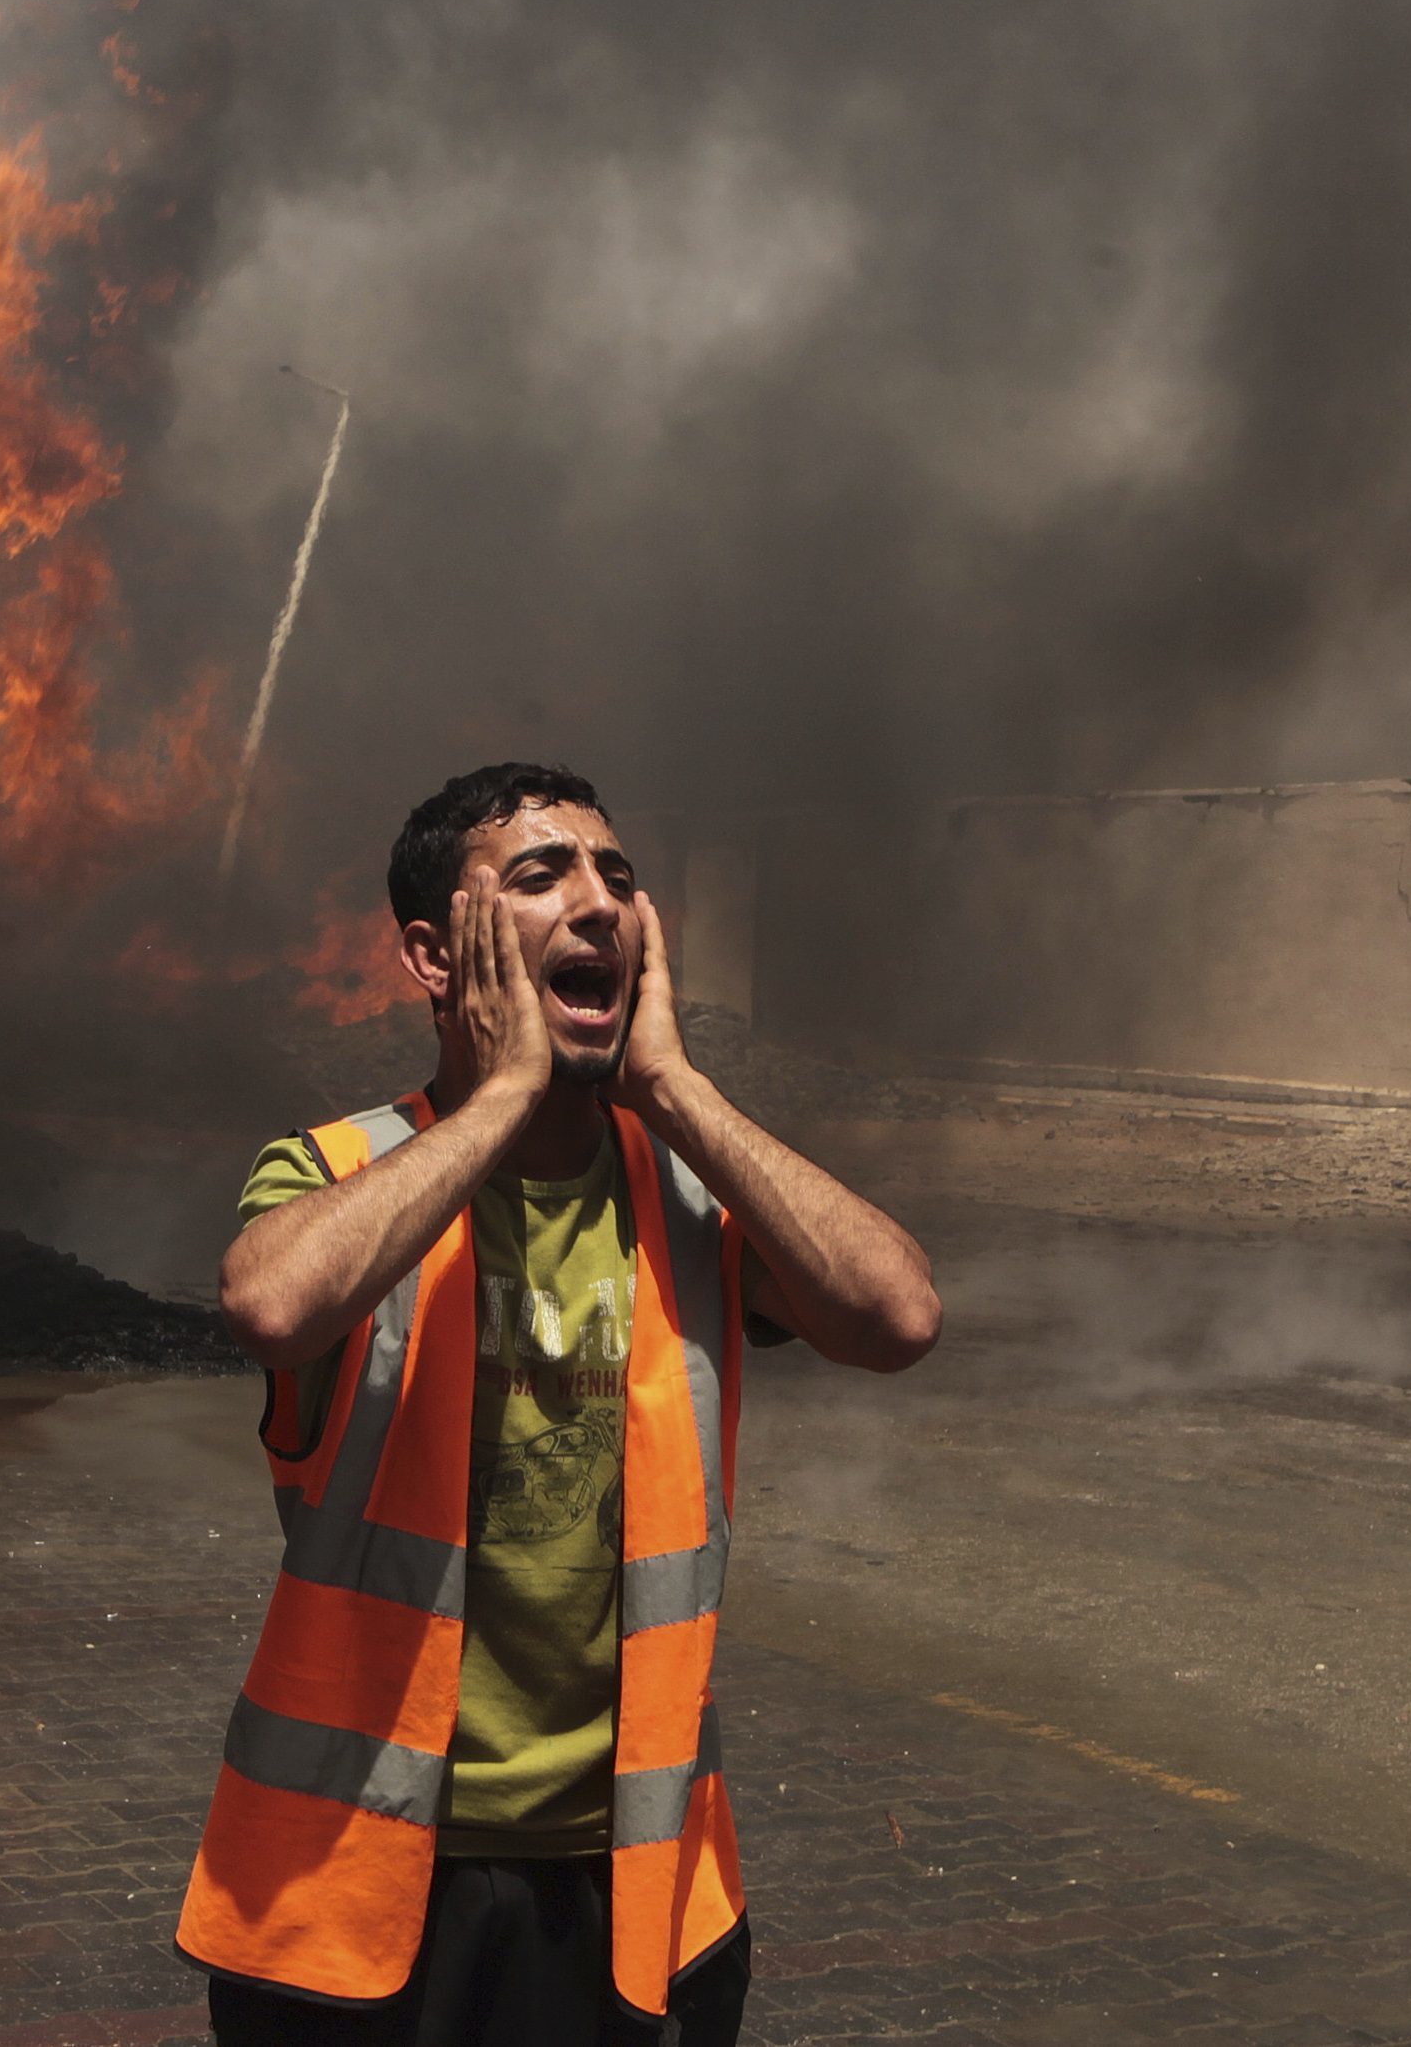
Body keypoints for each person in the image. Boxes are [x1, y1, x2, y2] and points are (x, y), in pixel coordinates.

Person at [176, 763, 941, 2045]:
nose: (603, 904)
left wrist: (675, 1091)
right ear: (436, 953)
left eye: (619, 878)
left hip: (637, 1877)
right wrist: (496, 1101)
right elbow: (273, 1303)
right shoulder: (339, 1170)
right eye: (542, 875)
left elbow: (897, 1316)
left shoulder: (686, 1190)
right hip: (352, 1884)